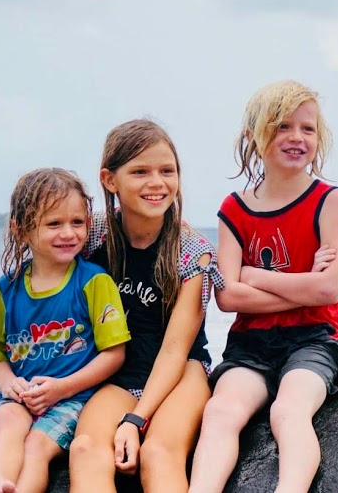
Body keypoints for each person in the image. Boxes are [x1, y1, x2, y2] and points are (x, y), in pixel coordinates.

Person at [189, 80, 338, 493]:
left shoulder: (329, 201)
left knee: (289, 411)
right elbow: (228, 296)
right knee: (221, 412)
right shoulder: (235, 208)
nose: (296, 137)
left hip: (314, 339)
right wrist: (302, 282)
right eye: (282, 126)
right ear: (254, 136)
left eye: (307, 128)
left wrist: (257, 276)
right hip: (252, 344)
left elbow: (327, 292)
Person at [69, 118, 222, 493]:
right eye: (140, 171)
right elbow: (41, 262)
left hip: (180, 373)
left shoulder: (192, 252)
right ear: (110, 179)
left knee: (158, 451)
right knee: (86, 447)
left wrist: (135, 421)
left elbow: (174, 349)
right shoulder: (94, 234)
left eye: (167, 171)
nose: (157, 182)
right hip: (120, 374)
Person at [0, 168, 130, 493]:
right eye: (53, 224)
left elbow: (114, 354)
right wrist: (10, 386)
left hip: (73, 399)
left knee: (35, 445)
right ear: (22, 230)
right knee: (4, 422)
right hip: (23, 397)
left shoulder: (93, 282)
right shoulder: (6, 290)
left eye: (77, 222)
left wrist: (62, 388)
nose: (68, 233)